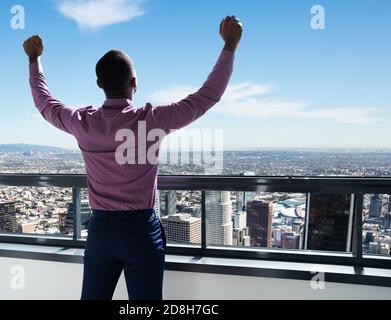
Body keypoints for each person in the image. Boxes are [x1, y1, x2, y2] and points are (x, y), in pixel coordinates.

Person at [23, 15, 243, 300]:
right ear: (134, 82)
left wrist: (33, 60)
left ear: (99, 83)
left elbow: (45, 103)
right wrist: (229, 46)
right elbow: (205, 97)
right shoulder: (151, 120)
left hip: (100, 230)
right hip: (140, 231)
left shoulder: (82, 122)